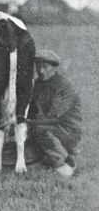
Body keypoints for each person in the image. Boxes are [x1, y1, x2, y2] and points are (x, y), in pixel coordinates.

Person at [28, 49, 82, 178]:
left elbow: (54, 118)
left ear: (54, 68)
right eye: (38, 66)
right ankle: (49, 156)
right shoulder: (37, 84)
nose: (41, 71)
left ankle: (65, 165)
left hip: (67, 130)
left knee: (39, 130)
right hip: (47, 127)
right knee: (18, 154)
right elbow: (31, 109)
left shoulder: (64, 86)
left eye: (45, 67)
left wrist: (27, 123)